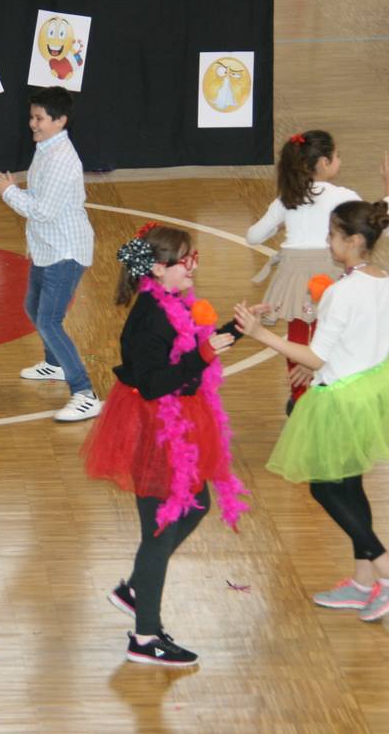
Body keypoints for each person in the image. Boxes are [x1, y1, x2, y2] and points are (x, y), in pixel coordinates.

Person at [235, 200, 389, 622]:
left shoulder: (342, 292)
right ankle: (363, 583)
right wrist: (327, 349)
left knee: (325, 486)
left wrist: (258, 335)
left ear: (354, 241)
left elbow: (317, 356)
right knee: (351, 484)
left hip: (341, 398)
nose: (328, 242)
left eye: (332, 236)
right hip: (374, 390)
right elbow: (388, 343)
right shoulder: (383, 280)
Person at [81, 224, 249, 667]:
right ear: (158, 269)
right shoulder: (151, 315)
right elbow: (156, 384)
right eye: (186, 260)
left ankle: (136, 588)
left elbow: (189, 354)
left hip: (178, 423)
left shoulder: (173, 302)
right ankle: (145, 637)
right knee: (159, 532)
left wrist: (237, 329)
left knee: (196, 504)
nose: (194, 266)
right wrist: (206, 354)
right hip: (155, 430)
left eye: (194, 258)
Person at [246, 131, 389, 411]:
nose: (339, 160)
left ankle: (299, 395)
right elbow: (382, 225)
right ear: (324, 163)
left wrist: (279, 225)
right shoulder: (343, 197)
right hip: (329, 274)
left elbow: (253, 236)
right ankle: (325, 391)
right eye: (337, 156)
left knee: (297, 336)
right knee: (327, 334)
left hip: (295, 277)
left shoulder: (286, 200)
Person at [0, 86, 100, 421]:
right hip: (48, 247)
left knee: (49, 320)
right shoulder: (46, 147)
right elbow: (40, 195)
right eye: (32, 117)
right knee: (32, 307)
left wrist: (8, 193)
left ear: (60, 120)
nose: (32, 124)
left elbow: (45, 210)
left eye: (39, 118)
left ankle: (84, 392)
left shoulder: (63, 159)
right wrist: (16, 189)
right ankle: (54, 364)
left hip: (65, 250)